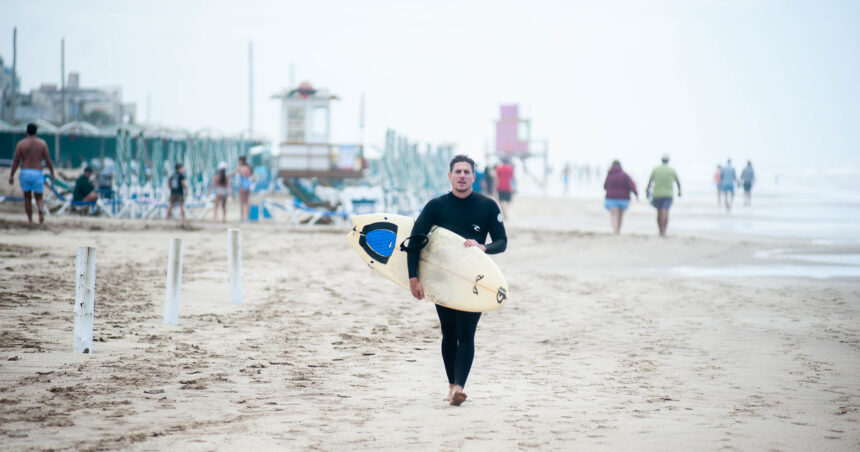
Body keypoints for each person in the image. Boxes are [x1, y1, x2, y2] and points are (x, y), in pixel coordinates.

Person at [407, 154, 507, 406]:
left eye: (467, 172)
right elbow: (415, 242)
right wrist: (413, 278)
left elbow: (502, 242)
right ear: (449, 176)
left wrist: (484, 247)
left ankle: (460, 387)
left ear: (474, 177)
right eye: (458, 172)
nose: (462, 176)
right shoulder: (436, 206)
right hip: (444, 281)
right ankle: (451, 386)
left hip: (474, 280)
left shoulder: (487, 206)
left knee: (467, 334)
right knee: (449, 333)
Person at [646, 154, 681, 237]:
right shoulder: (672, 170)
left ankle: (660, 231)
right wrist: (679, 191)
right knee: (665, 212)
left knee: (659, 213)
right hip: (668, 194)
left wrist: (647, 191)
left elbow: (650, 181)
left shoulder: (655, 169)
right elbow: (678, 182)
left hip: (657, 194)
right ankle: (664, 231)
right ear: (668, 160)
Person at [603, 160, 639, 234]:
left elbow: (605, 187)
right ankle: (618, 230)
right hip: (624, 199)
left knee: (614, 215)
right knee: (620, 215)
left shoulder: (609, 175)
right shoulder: (625, 175)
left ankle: (615, 230)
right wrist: (636, 194)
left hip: (611, 198)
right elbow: (632, 186)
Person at [232, 156, 253, 221]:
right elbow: (251, 176)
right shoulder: (248, 168)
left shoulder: (240, 168)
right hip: (248, 186)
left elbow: (232, 174)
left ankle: (241, 218)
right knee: (247, 203)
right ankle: (247, 218)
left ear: (241, 161)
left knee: (242, 203)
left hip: (243, 186)